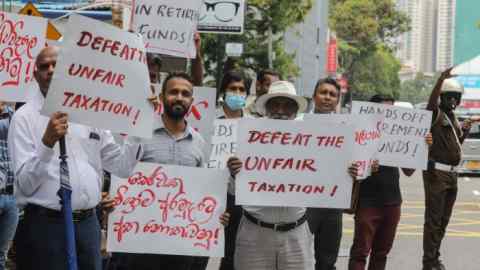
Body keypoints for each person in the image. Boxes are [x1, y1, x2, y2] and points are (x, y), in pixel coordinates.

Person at [8, 46, 141, 270]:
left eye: (56, 64)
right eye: (44, 66)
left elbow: (122, 166)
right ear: (35, 75)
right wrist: (46, 144)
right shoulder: (23, 119)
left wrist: (140, 127)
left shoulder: (92, 112)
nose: (50, 70)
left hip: (88, 225)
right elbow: (24, 186)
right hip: (47, 228)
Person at [227, 81, 359, 270]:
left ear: (296, 110)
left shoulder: (312, 139)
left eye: (288, 105)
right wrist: (233, 174)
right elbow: (231, 190)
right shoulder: (247, 136)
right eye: (276, 104)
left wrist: (346, 174)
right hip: (254, 234)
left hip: (296, 234)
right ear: (266, 108)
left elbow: (328, 177)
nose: (281, 110)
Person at [126, 71, 229, 270]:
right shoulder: (139, 135)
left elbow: (203, 192)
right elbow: (122, 175)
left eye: (185, 93)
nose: (179, 97)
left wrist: (216, 213)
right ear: (162, 96)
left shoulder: (199, 143)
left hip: (183, 245)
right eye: (173, 92)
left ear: (192, 100)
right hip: (141, 242)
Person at [348, 94, 433, 270]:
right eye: (384, 110)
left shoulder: (399, 136)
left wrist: (422, 146)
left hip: (392, 203)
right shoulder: (359, 136)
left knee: (381, 253)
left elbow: (409, 171)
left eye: (392, 110)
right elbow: (350, 169)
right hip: (367, 202)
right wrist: (366, 165)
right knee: (360, 252)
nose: (389, 115)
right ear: (371, 112)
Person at [422, 68, 472, 270]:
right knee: (433, 220)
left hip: (452, 175)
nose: (453, 101)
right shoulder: (435, 114)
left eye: (456, 98)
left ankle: (435, 257)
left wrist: (465, 131)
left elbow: (456, 144)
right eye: (449, 97)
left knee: (443, 220)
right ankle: (429, 262)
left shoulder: (453, 118)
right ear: (442, 97)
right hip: (437, 174)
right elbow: (431, 103)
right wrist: (441, 80)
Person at [307, 78, 345, 270]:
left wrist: (357, 169)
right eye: (323, 92)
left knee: (327, 260)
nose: (327, 97)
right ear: (314, 96)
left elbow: (355, 161)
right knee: (298, 256)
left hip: (333, 203)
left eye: (332, 94)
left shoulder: (346, 128)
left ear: (337, 100)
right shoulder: (298, 124)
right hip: (303, 202)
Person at [214, 70, 249, 270]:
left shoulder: (254, 126)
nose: (237, 93)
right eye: (232, 89)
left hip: (242, 198)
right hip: (214, 195)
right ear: (223, 91)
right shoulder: (210, 122)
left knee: (235, 255)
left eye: (241, 89)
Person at [0, 102, 17, 270]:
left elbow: (15, 125)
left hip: (11, 197)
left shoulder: (11, 116)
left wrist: (4, 109)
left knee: (2, 253)